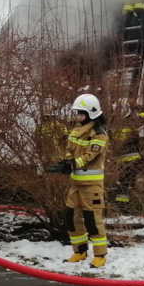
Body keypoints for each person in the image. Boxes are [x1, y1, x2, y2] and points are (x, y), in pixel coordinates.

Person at [49, 94, 110, 268]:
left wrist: (74, 164)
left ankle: (100, 254)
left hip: (92, 185)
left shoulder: (99, 134)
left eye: (81, 114)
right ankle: (79, 251)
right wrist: (66, 161)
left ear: (91, 113)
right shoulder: (76, 130)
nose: (77, 117)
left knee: (92, 219)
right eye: (76, 114)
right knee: (70, 217)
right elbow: (69, 148)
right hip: (76, 183)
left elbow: (91, 155)